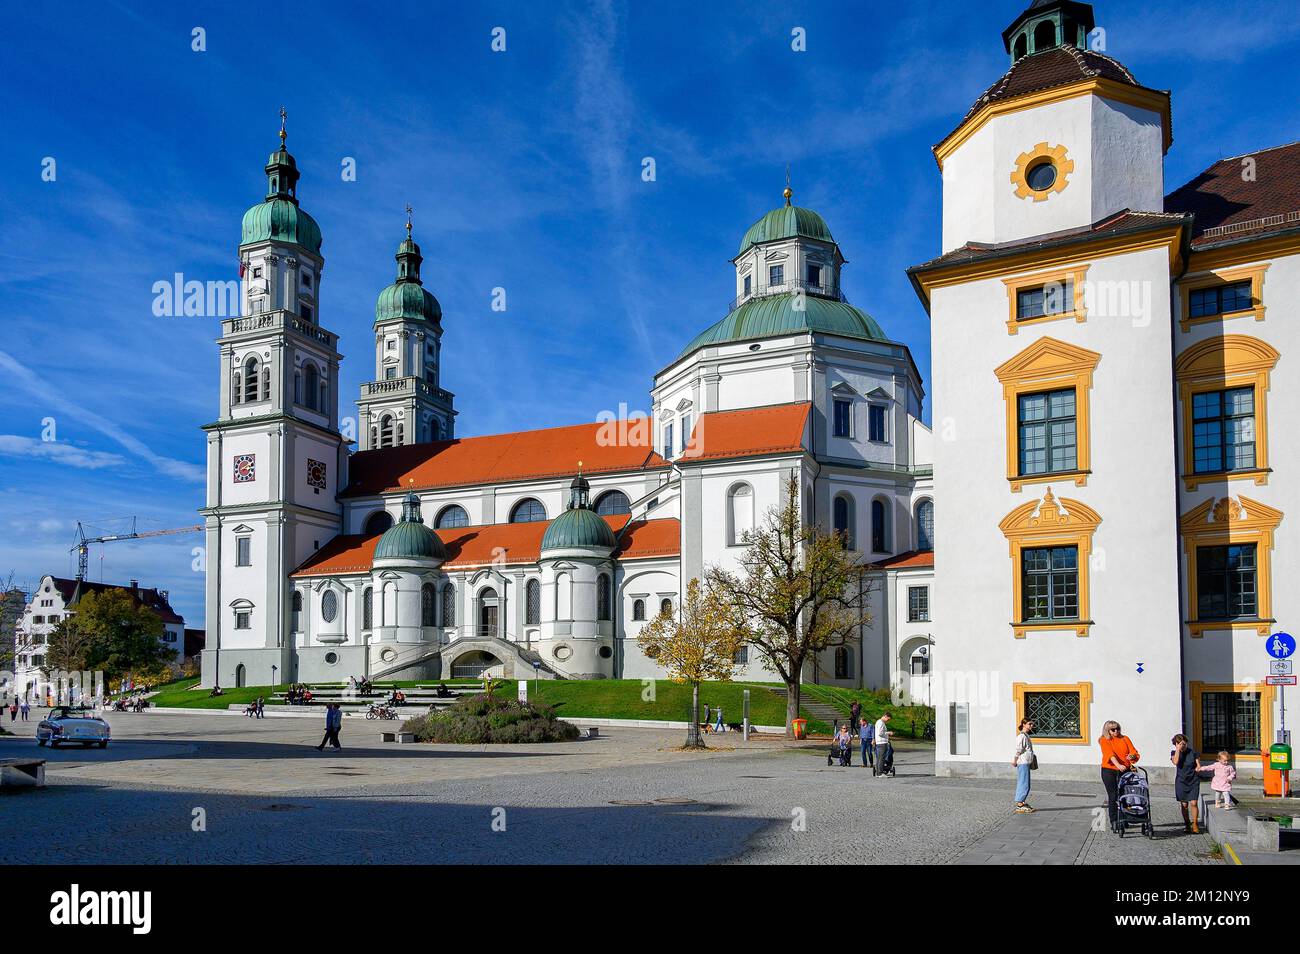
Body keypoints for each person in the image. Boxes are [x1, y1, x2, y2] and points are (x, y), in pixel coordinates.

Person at [1099, 720, 1140, 831]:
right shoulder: (1104, 739)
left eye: (1117, 728)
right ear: (1107, 730)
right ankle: (1114, 821)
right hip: (1109, 771)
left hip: (1125, 770)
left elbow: (1134, 751)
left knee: (1125, 794)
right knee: (1113, 796)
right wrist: (1118, 765)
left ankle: (1124, 817)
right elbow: (1109, 754)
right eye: (1113, 729)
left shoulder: (1125, 738)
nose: (1116, 731)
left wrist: (1132, 756)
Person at [1170, 734, 1203, 833]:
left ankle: (1195, 824)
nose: (1182, 745)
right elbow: (1175, 762)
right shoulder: (1173, 753)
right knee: (1184, 804)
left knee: (1194, 803)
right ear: (1176, 744)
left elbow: (1198, 765)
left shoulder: (1193, 753)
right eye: (1180, 744)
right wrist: (1177, 750)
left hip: (1193, 780)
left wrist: (1198, 768)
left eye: (1184, 743)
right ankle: (1187, 824)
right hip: (1181, 781)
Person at [1012, 718, 1037, 813]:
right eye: (1030, 724)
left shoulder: (1026, 735)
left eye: (1032, 724)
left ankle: (1021, 802)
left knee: (1025, 783)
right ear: (1024, 724)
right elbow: (1018, 750)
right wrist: (1014, 760)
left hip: (1026, 762)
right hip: (1022, 762)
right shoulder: (1021, 736)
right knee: (1024, 783)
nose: (1031, 726)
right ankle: (1020, 804)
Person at [874, 712, 894, 777]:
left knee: (879, 758)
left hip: (880, 742)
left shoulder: (880, 722)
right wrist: (888, 733)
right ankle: (880, 773)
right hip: (881, 742)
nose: (888, 721)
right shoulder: (880, 723)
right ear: (885, 716)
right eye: (888, 719)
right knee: (881, 758)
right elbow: (880, 733)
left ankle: (878, 772)